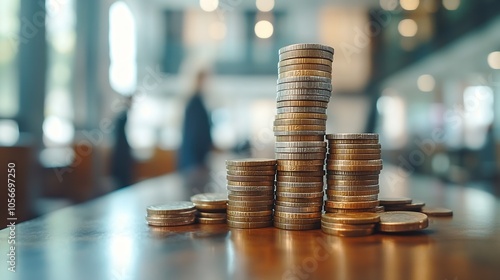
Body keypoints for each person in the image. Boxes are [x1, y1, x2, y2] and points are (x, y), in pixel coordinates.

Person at [178, 70, 213, 192]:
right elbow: (193, 136)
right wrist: (195, 164)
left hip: (197, 161)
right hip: (194, 164)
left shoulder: (198, 102)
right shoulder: (194, 103)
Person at [110, 95, 134, 189]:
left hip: (121, 148)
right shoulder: (122, 115)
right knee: (122, 176)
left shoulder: (122, 114)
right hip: (121, 149)